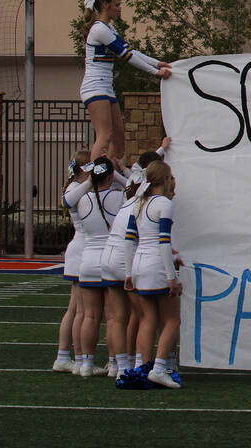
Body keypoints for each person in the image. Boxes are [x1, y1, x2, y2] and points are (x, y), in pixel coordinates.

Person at [100, 138, 170, 376]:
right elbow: (141, 239)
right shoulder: (146, 203)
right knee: (140, 316)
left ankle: (118, 365)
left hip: (108, 254)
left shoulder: (131, 198)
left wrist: (161, 149)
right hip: (125, 255)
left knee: (116, 317)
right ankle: (135, 363)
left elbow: (139, 168)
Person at [78, 0, 171, 161]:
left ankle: (111, 172)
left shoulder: (109, 28)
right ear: (104, 5)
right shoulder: (99, 30)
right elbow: (126, 56)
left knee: (119, 140)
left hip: (106, 87)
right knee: (104, 135)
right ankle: (95, 175)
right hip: (95, 86)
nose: (119, 9)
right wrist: (155, 72)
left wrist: (157, 63)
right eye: (116, 4)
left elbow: (130, 50)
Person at [124, 160, 182, 389]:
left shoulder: (139, 202)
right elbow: (164, 242)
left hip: (139, 265)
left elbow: (129, 240)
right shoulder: (164, 204)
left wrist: (129, 272)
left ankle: (141, 368)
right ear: (165, 180)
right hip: (156, 265)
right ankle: (158, 369)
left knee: (147, 319)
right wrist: (171, 277)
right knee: (172, 320)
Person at [65, 156, 123, 377]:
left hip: (87, 262)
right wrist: (118, 173)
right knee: (113, 317)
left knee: (89, 316)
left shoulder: (81, 198)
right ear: (110, 176)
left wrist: (90, 181)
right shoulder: (119, 197)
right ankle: (114, 363)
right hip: (109, 262)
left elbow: (66, 201)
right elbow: (137, 187)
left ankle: (86, 364)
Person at [52, 151, 92, 373]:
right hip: (80, 250)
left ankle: (66, 356)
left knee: (76, 308)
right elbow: (66, 201)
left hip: (82, 249)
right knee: (78, 309)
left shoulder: (79, 187)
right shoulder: (75, 188)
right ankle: (74, 358)